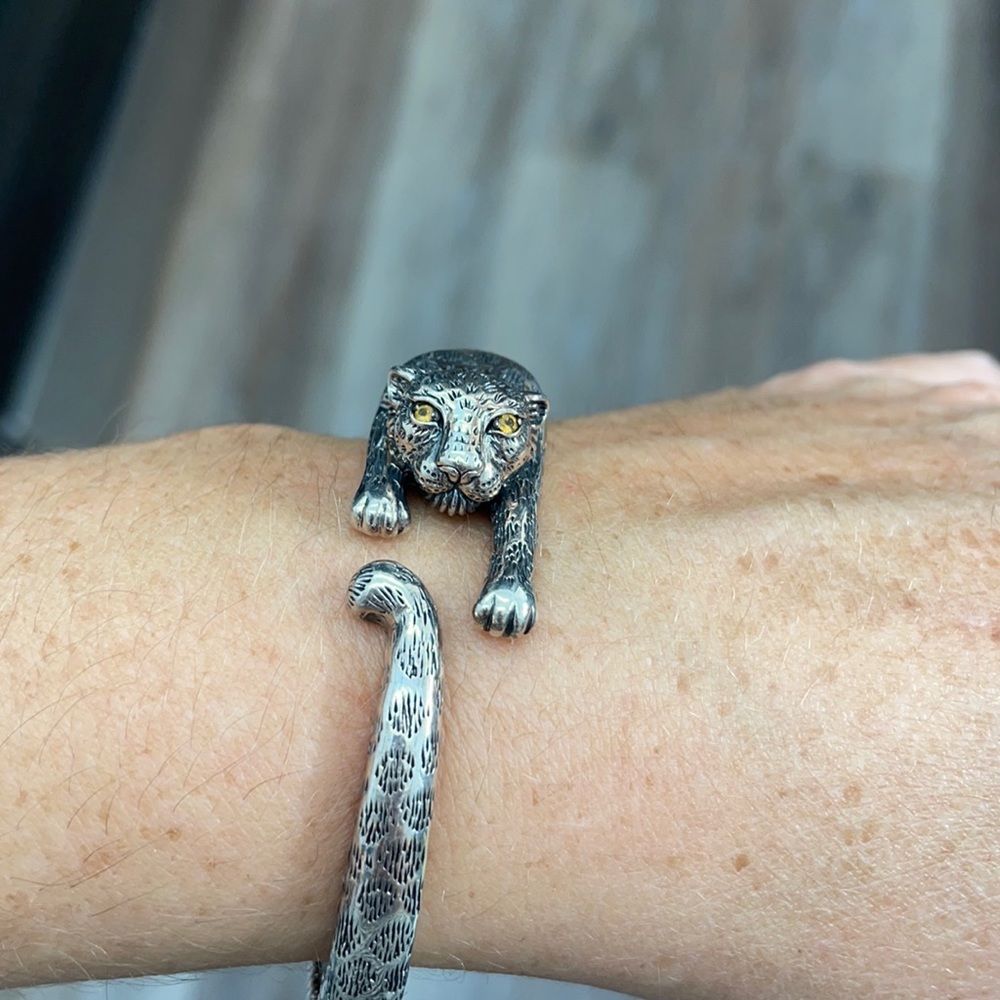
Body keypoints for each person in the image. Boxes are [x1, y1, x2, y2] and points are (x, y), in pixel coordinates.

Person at [0, 352, 996, 999]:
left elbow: (511, 537)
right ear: (399, 406)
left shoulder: (506, 468)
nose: (463, 468)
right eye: (430, 433)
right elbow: (392, 477)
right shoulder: (405, 440)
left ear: (532, 424)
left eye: (498, 444)